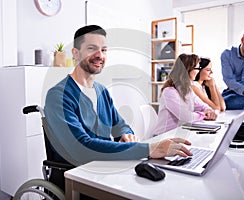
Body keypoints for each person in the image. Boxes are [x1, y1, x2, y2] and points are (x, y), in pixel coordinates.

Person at [44, 25, 192, 168]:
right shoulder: (58, 95)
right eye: (91, 48)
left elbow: (120, 125)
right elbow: (81, 147)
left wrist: (125, 134)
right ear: (76, 53)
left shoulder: (101, 91)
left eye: (104, 50)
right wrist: (148, 149)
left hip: (104, 165)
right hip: (77, 174)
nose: (100, 55)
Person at [153, 53, 218, 136]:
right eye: (197, 68)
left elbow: (202, 106)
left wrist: (209, 110)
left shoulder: (188, 90)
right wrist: (203, 115)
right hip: (162, 137)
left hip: (177, 134)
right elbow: (185, 117)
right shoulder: (169, 92)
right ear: (188, 69)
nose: (198, 71)